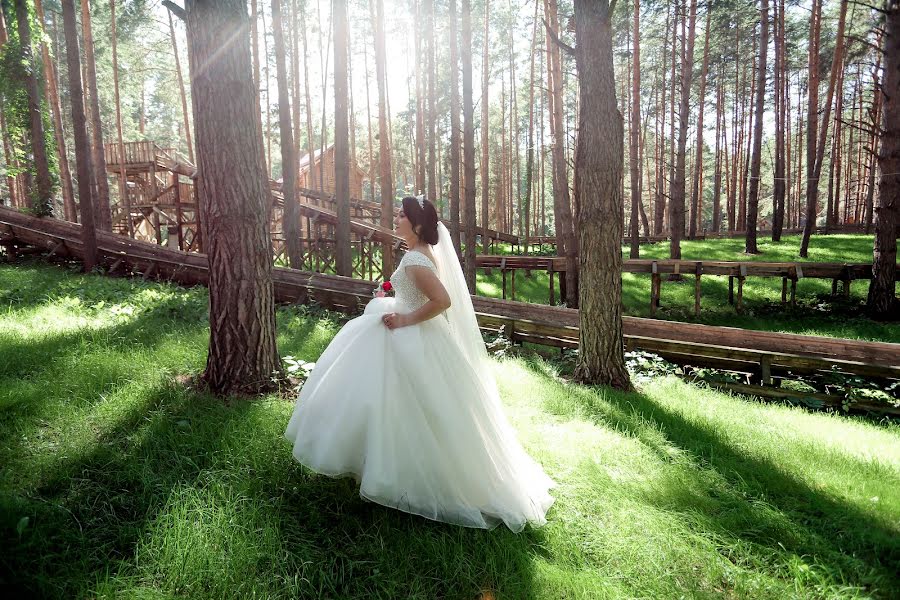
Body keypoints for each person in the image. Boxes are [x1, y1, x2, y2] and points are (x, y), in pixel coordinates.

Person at [284, 196, 554, 532]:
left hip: (412, 336)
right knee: (390, 405)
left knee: (409, 405)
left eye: (401, 215)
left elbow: (443, 301)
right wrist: (390, 299)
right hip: (411, 329)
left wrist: (406, 319)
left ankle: (404, 478)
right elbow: (418, 294)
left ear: (418, 225)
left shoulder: (415, 259)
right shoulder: (418, 256)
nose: (395, 219)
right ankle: (379, 467)